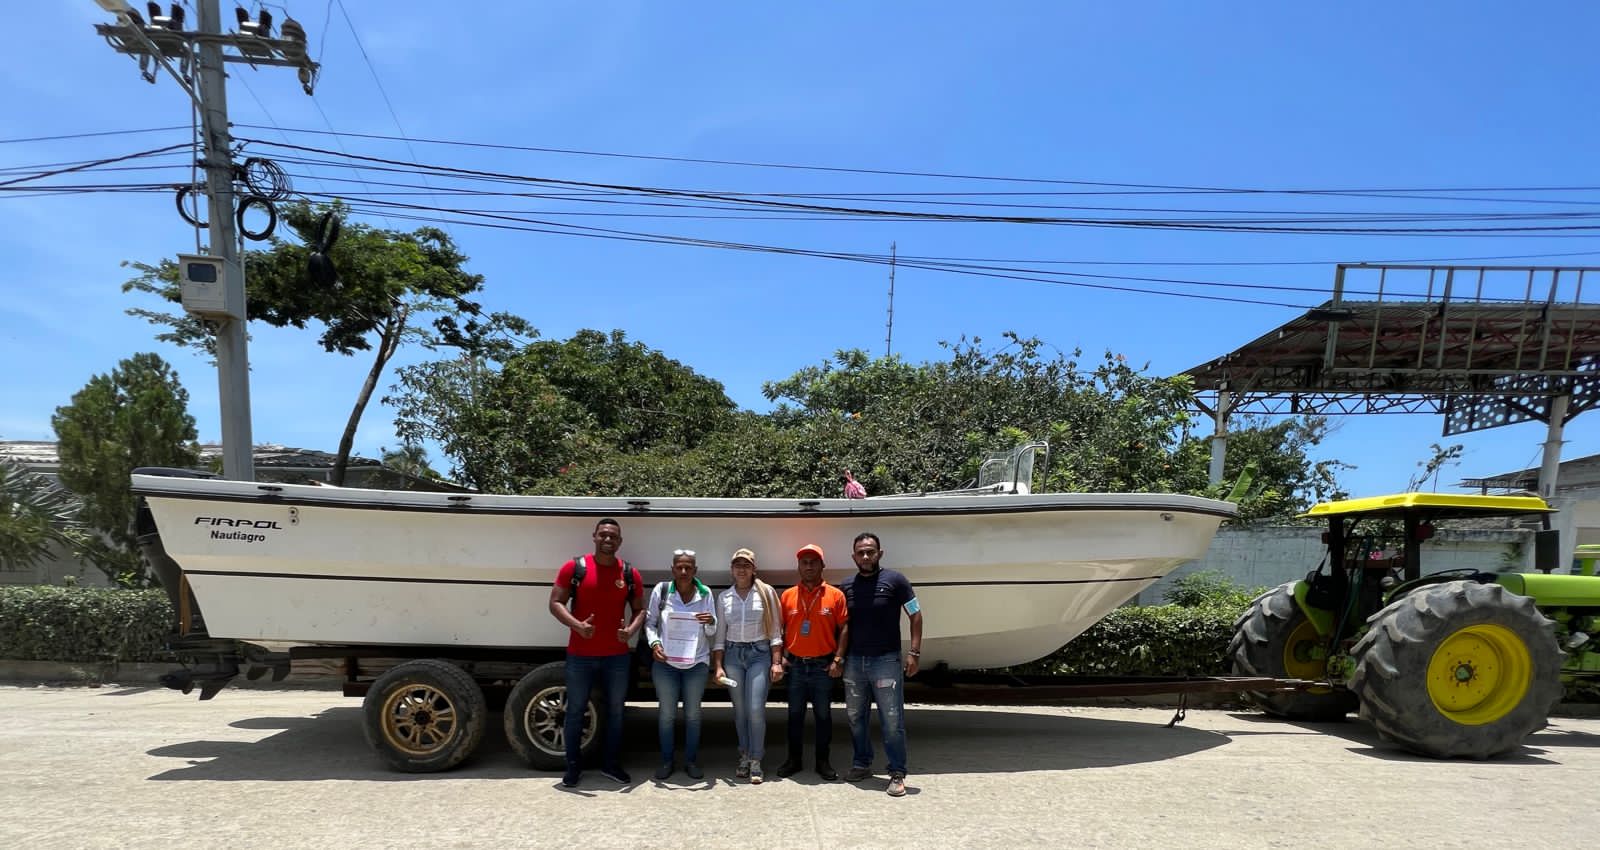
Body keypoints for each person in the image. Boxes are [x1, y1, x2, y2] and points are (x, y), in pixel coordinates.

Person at [547, 518, 645, 788]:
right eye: (603, 535)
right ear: (594, 537)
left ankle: (611, 765)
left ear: (620, 541)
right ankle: (573, 767)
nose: (608, 540)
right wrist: (577, 625)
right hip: (581, 654)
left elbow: (640, 610)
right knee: (576, 711)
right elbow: (555, 602)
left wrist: (632, 630)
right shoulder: (575, 568)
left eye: (613, 536)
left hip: (617, 656)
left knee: (616, 711)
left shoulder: (629, 573)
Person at [841, 531, 922, 797]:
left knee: (892, 719)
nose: (866, 556)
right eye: (861, 552)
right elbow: (840, 625)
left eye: (870, 551)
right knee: (855, 717)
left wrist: (914, 652)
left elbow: (916, 614)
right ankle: (862, 763)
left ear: (880, 553)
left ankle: (897, 772)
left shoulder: (896, 581)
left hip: (886, 660)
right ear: (854, 557)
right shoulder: (847, 586)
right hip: (854, 661)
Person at [711, 547, 785, 784]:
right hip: (733, 656)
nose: (741, 569)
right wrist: (718, 666)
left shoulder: (766, 593)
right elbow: (720, 635)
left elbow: (775, 630)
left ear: (754, 569)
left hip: (758, 654)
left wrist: (776, 662)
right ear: (732, 570)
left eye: (746, 565)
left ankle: (756, 758)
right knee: (740, 710)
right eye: (737, 565)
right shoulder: (724, 598)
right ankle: (743, 755)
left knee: (755, 709)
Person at [776, 543, 849, 781]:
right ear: (798, 566)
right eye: (804, 562)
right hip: (796, 666)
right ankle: (793, 760)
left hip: (822, 667)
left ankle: (822, 762)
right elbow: (779, 630)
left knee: (823, 717)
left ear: (822, 565)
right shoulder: (787, 596)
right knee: (794, 716)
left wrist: (838, 659)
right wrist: (781, 658)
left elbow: (844, 628)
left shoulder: (835, 595)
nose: (808, 566)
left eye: (813, 562)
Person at [643, 549, 718, 781]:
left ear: (695, 570)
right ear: (673, 569)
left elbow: (712, 631)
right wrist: (655, 644)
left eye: (688, 567)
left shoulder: (705, 593)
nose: (684, 571)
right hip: (666, 664)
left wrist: (710, 622)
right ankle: (667, 761)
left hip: (696, 664)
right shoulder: (662, 590)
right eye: (679, 567)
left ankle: (691, 761)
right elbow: (650, 623)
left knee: (693, 715)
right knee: (666, 714)